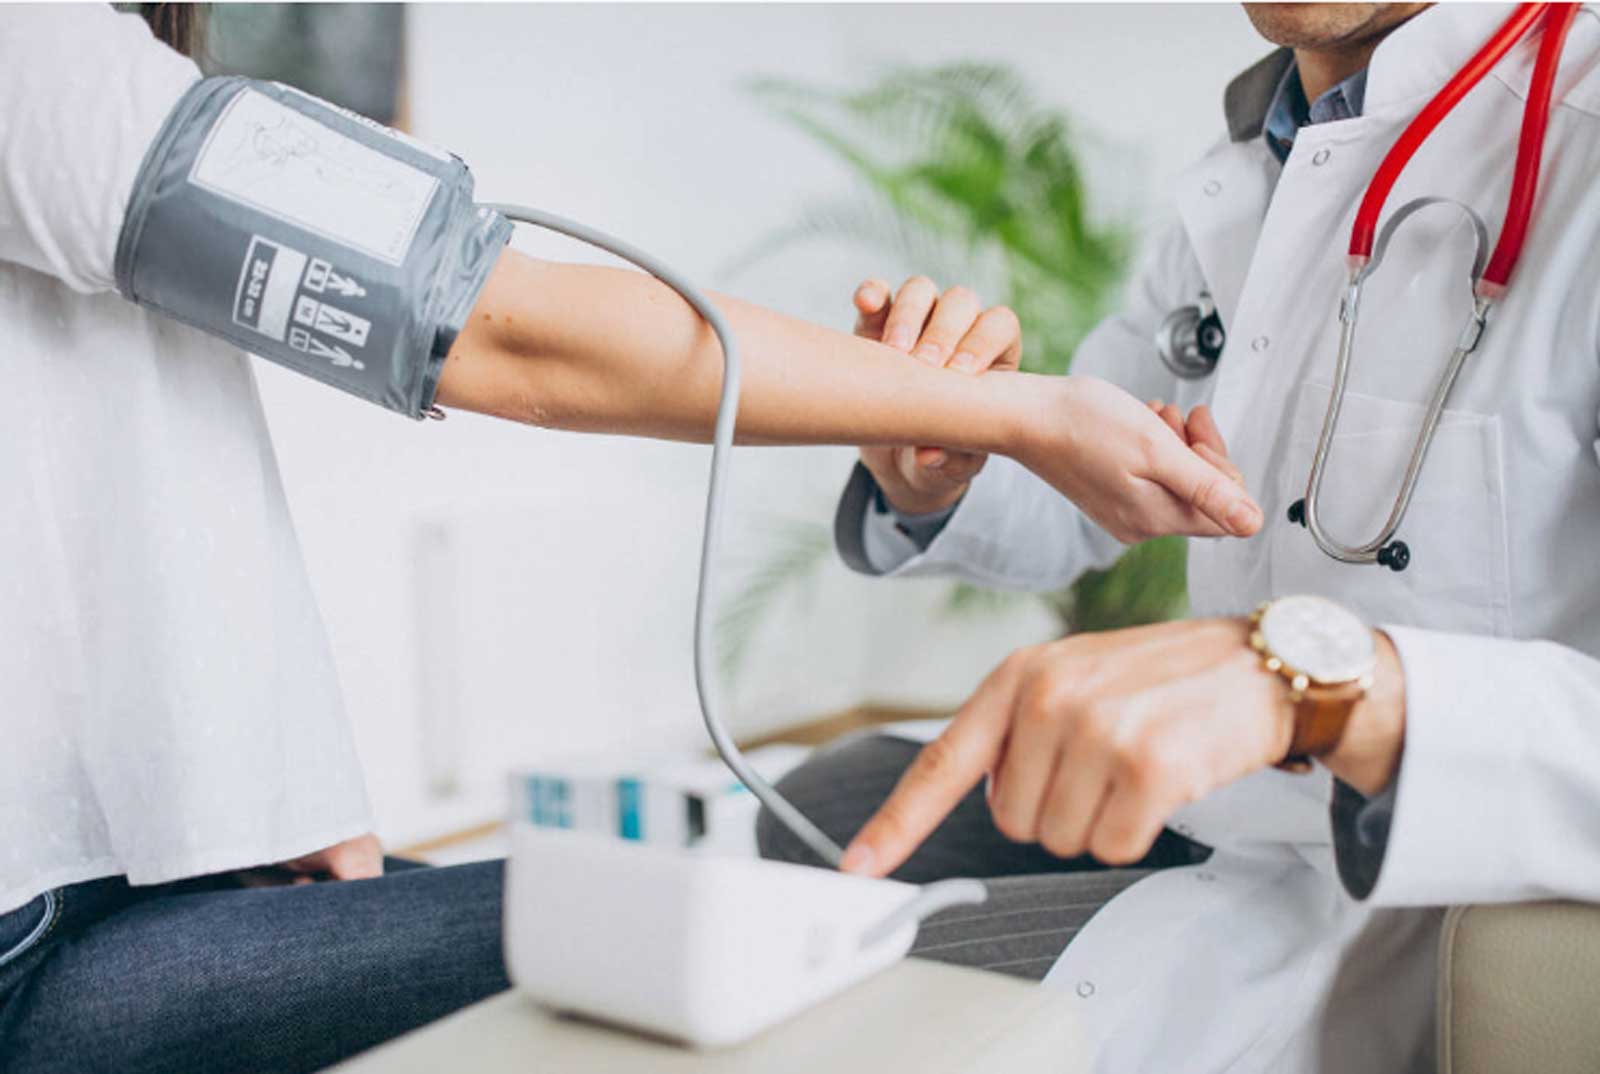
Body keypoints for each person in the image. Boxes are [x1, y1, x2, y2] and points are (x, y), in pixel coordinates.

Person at [0, 6, 1259, 1073]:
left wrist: (261, 789)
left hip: (131, 866)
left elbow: (105, 466)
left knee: (774, 874)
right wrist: (1010, 414)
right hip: (37, 939)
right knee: (731, 924)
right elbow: (504, 328)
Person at [760, 3, 1600, 1072]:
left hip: (1409, 867)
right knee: (815, 806)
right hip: (1230, 801)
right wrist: (938, 459)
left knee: (833, 1017)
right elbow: (1086, 491)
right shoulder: (1270, 150)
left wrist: (1328, 691)